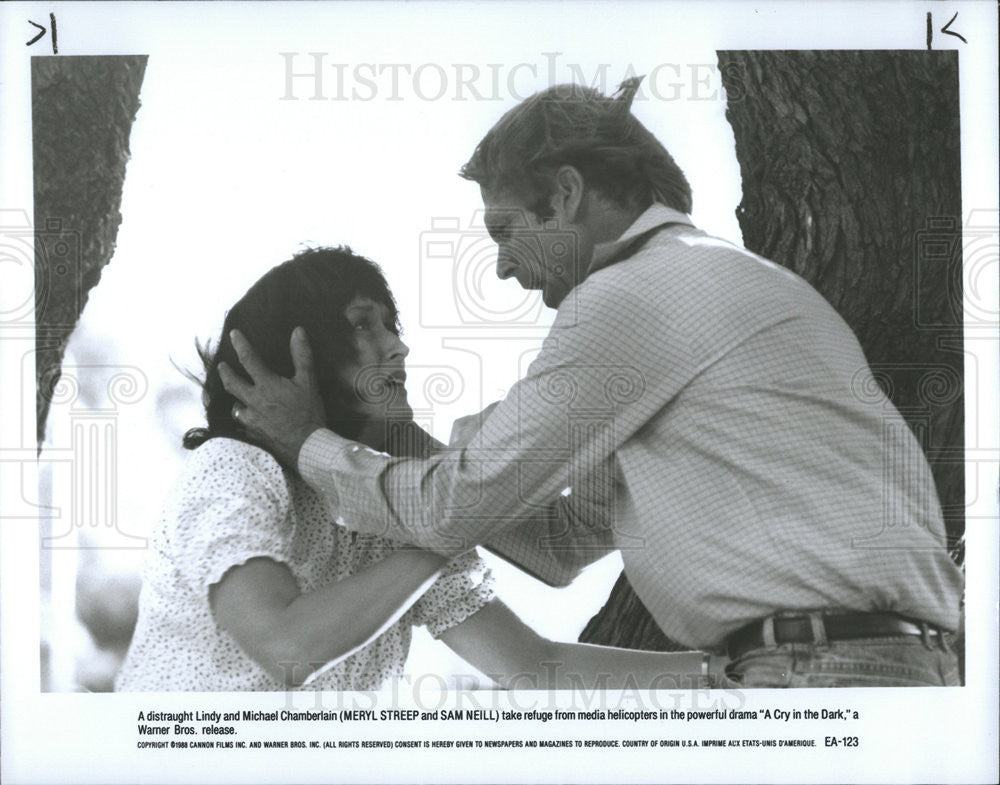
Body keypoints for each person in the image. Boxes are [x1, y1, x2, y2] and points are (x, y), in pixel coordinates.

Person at [221, 80, 964, 688]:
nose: (505, 268)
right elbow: (565, 544)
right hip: (881, 663)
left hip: (822, 670)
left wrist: (309, 442)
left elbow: (454, 508)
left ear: (566, 194)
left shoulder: (628, 298)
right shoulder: (720, 279)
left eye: (507, 231)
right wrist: (408, 440)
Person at [116, 246, 727, 692]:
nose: (397, 346)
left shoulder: (400, 502)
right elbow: (288, 648)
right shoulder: (234, 471)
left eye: (390, 325)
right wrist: (447, 523)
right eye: (362, 325)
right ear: (297, 355)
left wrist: (722, 676)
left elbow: (537, 670)